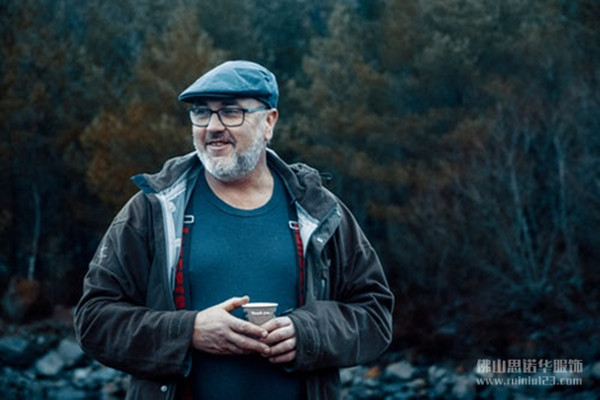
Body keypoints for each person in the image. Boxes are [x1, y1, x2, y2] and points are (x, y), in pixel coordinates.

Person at [74, 60, 394, 400]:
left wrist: (309, 334)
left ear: (269, 122)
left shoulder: (319, 211)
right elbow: (94, 320)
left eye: (230, 112)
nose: (213, 126)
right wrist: (188, 332)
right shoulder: (153, 209)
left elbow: (375, 314)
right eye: (201, 112)